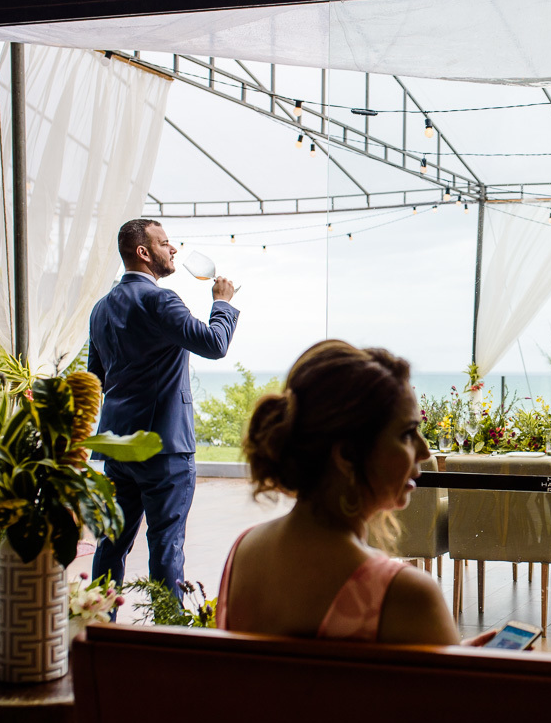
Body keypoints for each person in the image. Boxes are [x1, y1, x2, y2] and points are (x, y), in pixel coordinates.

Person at [217, 341, 480, 645]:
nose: (423, 451)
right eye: (407, 434)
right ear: (347, 455)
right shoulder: (404, 596)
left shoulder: (243, 553)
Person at [89, 218, 239, 600]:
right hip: (164, 447)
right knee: (166, 547)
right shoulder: (160, 300)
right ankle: (167, 633)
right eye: (165, 243)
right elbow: (214, 343)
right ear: (143, 252)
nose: (173, 250)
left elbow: (97, 379)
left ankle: (96, 625)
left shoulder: (101, 309)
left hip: (117, 447)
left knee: (111, 544)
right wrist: (221, 303)